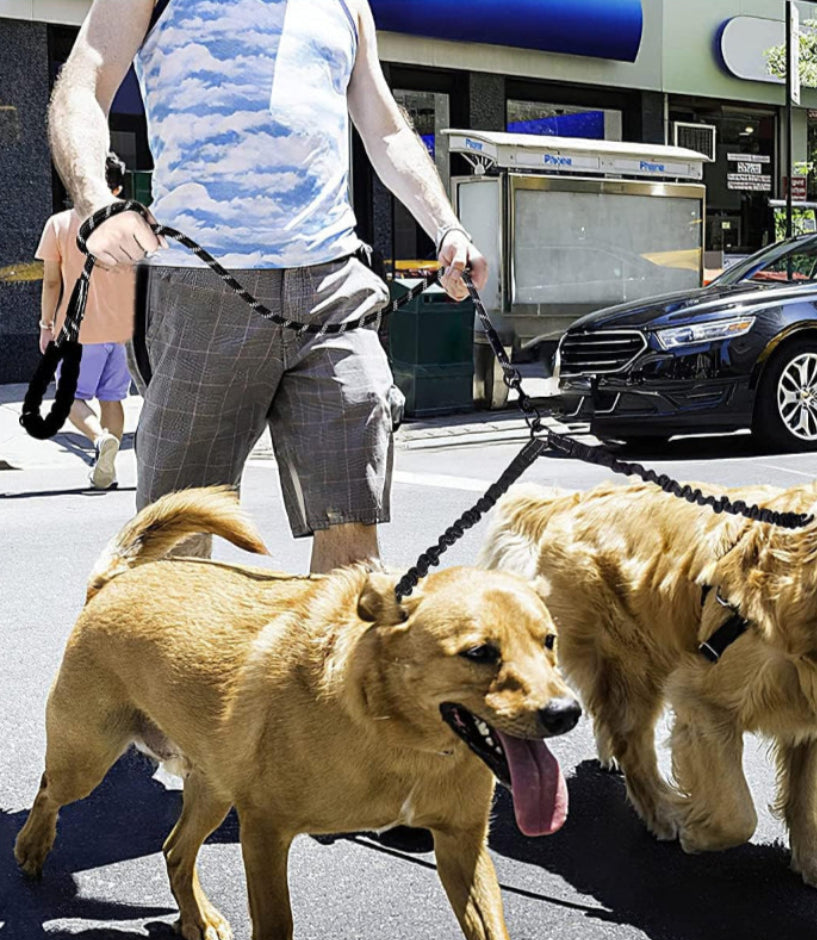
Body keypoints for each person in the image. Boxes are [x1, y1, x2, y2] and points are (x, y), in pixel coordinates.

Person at [47, 0, 487, 571]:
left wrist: (446, 226)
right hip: (201, 289)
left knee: (354, 552)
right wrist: (96, 203)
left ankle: (328, 660)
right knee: (175, 543)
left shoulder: (348, 5)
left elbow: (385, 129)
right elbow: (81, 88)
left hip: (334, 289)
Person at [36, 152, 133, 490]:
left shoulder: (60, 224)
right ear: (117, 189)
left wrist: (46, 325)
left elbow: (51, 282)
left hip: (77, 331)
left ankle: (99, 439)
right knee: (112, 399)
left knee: (69, 399)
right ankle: (108, 469)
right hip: (120, 331)